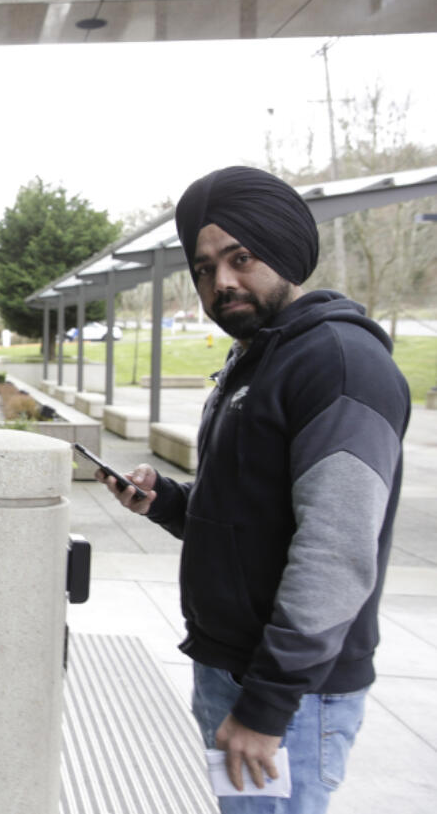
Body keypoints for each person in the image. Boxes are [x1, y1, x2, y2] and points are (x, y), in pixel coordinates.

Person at [98, 166, 410, 813]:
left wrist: (266, 706)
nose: (222, 282)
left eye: (241, 257)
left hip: (289, 692)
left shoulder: (338, 363)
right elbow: (254, 515)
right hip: (233, 668)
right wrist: (172, 503)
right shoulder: (260, 357)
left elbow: (336, 549)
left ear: (284, 248)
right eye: (205, 268)